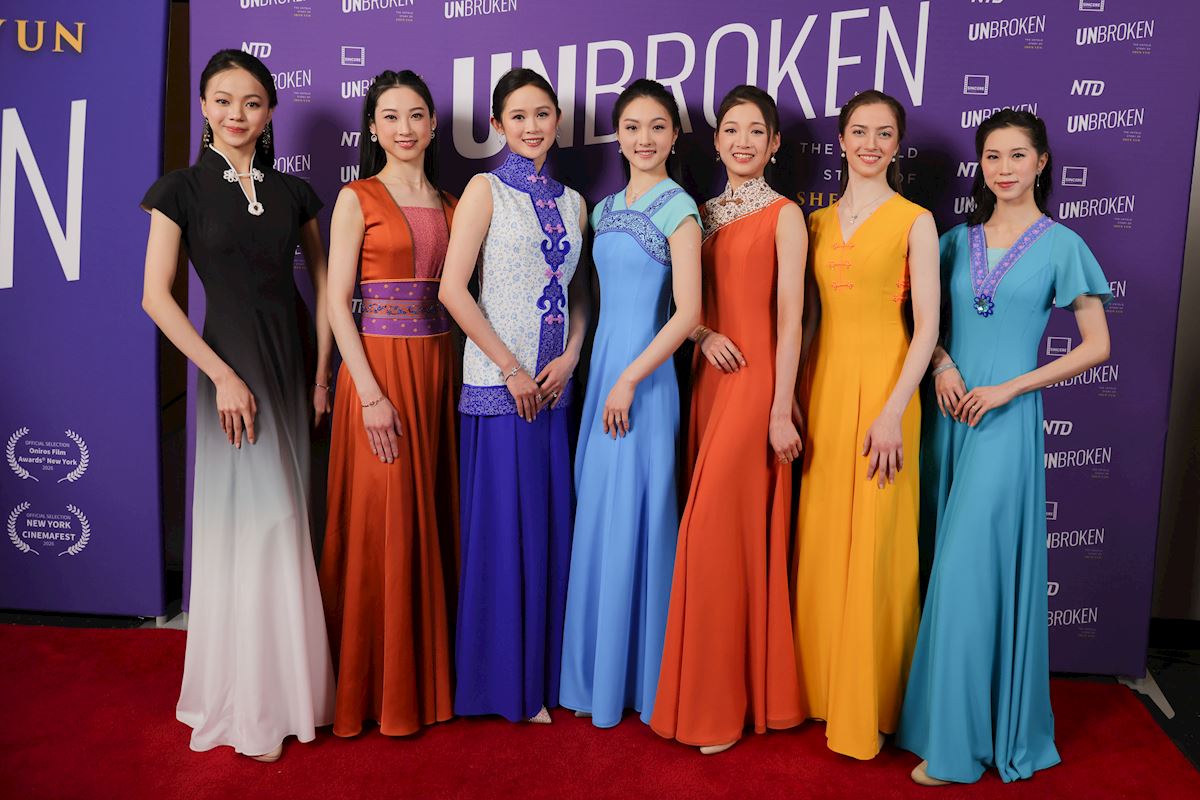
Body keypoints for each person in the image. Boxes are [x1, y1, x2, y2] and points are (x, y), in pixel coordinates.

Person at [897, 110, 1111, 785]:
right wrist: (942, 365)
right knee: (939, 567)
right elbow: (917, 321)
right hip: (946, 416)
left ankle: (959, 752)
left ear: (1042, 163)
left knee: (968, 573)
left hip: (1004, 423)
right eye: (993, 156)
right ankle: (936, 722)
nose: (1005, 168)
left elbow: (1098, 346)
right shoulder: (953, 241)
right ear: (980, 166)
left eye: (1018, 155)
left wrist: (1011, 387)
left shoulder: (1063, 245)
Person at [140, 49, 334, 762]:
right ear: (203, 107)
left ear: (270, 111)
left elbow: (325, 288)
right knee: (255, 523)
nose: (236, 114)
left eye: (251, 102)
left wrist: (322, 376)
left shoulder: (295, 193)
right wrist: (220, 373)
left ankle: (294, 696)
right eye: (223, 100)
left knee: (291, 521)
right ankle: (247, 701)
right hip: (229, 369)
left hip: (292, 365)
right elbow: (155, 297)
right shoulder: (180, 190)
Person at [650, 85, 806, 754]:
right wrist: (702, 334)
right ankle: (712, 693)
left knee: (715, 533)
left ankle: (718, 706)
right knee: (720, 537)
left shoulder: (786, 215)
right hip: (706, 382)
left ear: (774, 144)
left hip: (755, 386)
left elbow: (792, 319)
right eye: (732, 130)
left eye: (756, 131)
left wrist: (780, 407)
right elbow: (681, 310)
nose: (743, 141)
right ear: (715, 142)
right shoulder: (696, 213)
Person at [792, 89, 940, 760]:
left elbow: (927, 326)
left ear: (897, 144)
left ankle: (872, 700)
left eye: (883, 133)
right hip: (825, 385)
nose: (870, 144)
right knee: (824, 537)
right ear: (842, 140)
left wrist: (892, 410)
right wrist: (789, 395)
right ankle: (820, 691)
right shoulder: (815, 221)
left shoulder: (916, 221)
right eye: (859, 131)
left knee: (879, 542)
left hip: (888, 388)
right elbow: (805, 317)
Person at [439, 68, 589, 724]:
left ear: (558, 120)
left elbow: (580, 293)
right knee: (504, 534)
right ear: (497, 125)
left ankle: (544, 677)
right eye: (518, 116)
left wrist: (572, 355)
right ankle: (503, 685)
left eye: (543, 114)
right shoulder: (485, 189)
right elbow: (452, 289)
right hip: (499, 385)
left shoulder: (575, 201)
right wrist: (509, 369)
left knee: (547, 529)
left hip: (554, 387)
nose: (532, 126)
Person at [318, 70, 458, 738]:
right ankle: (370, 690)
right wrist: (369, 392)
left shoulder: (454, 201)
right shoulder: (357, 197)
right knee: (384, 521)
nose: (405, 128)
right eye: (391, 116)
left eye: (416, 115)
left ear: (433, 125)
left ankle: (426, 681)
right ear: (372, 127)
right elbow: (335, 300)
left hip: (439, 369)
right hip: (376, 372)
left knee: (429, 515)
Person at [559, 79, 702, 729]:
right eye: (633, 127)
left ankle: (642, 680)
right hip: (602, 377)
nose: (644, 139)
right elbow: (588, 298)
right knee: (598, 514)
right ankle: (594, 676)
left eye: (657, 127)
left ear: (674, 136)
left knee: (637, 517)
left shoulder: (682, 209)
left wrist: (630, 379)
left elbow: (689, 313)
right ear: (617, 136)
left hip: (646, 384)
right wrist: (580, 358)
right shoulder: (603, 207)